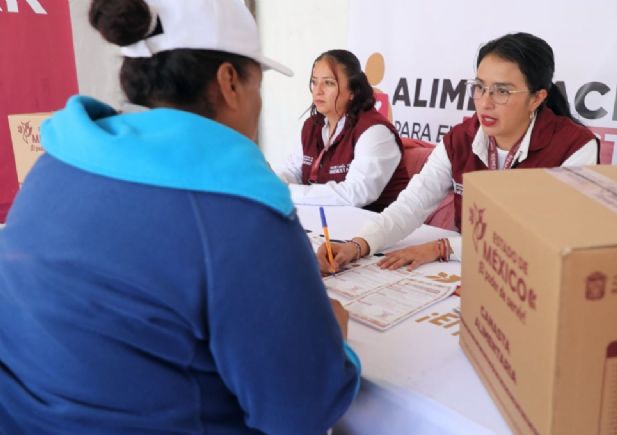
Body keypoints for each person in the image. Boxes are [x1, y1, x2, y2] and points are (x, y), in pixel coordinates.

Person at [0, 1, 360, 434]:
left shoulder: (56, 164)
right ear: (229, 82)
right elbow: (303, 408)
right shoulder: (241, 212)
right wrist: (333, 344)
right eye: (258, 83)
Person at [317, 32, 599, 273]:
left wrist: (443, 247)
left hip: (534, 274)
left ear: (537, 98)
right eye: (479, 87)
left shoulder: (575, 146)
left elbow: (545, 235)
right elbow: (411, 205)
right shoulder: (460, 139)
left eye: (502, 91)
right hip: (470, 270)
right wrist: (358, 245)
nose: (485, 103)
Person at [275, 49, 409, 212]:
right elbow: (293, 170)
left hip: (375, 230)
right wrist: (273, 183)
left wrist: (287, 192)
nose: (318, 90)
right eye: (314, 82)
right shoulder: (312, 125)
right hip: (329, 224)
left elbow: (356, 193)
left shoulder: (376, 131)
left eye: (329, 83)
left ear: (353, 91)